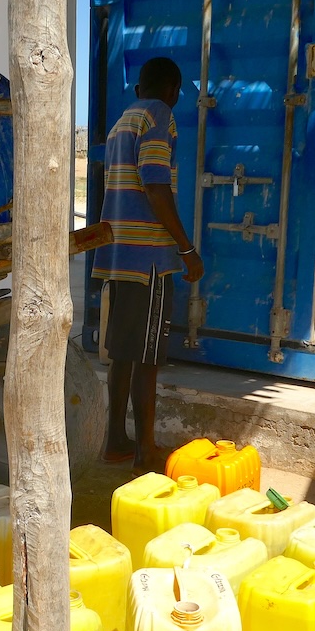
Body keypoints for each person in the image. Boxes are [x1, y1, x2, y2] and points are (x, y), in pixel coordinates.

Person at [92, 56, 205, 473]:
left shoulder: (124, 119)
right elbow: (156, 185)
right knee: (149, 357)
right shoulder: (160, 116)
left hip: (120, 253)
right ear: (173, 91)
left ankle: (115, 442)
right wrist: (186, 248)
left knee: (123, 353)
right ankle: (146, 451)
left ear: (140, 87)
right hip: (151, 260)